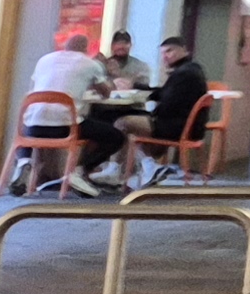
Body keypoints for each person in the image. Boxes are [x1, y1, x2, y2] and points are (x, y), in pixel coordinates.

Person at [83, 35, 211, 188]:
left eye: (169, 51)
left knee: (122, 122)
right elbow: (165, 93)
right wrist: (139, 88)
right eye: (163, 53)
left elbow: (168, 102)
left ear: (184, 50)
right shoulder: (192, 69)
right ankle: (144, 167)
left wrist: (151, 110)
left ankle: (119, 169)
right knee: (128, 121)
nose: (165, 56)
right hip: (185, 125)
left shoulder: (183, 74)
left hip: (174, 126)